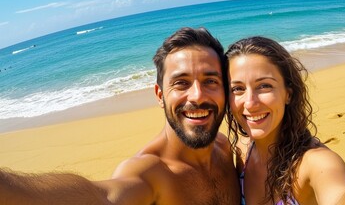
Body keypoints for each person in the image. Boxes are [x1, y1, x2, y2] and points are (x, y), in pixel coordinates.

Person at [0, 27, 241, 204]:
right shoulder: (148, 173)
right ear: (159, 95)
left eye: (210, 81)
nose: (197, 96)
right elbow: (101, 197)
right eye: (181, 83)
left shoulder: (224, 147)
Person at [225, 36, 345, 205]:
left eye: (264, 86)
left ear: (288, 94)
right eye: (237, 88)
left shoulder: (314, 163)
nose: (250, 103)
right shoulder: (242, 153)